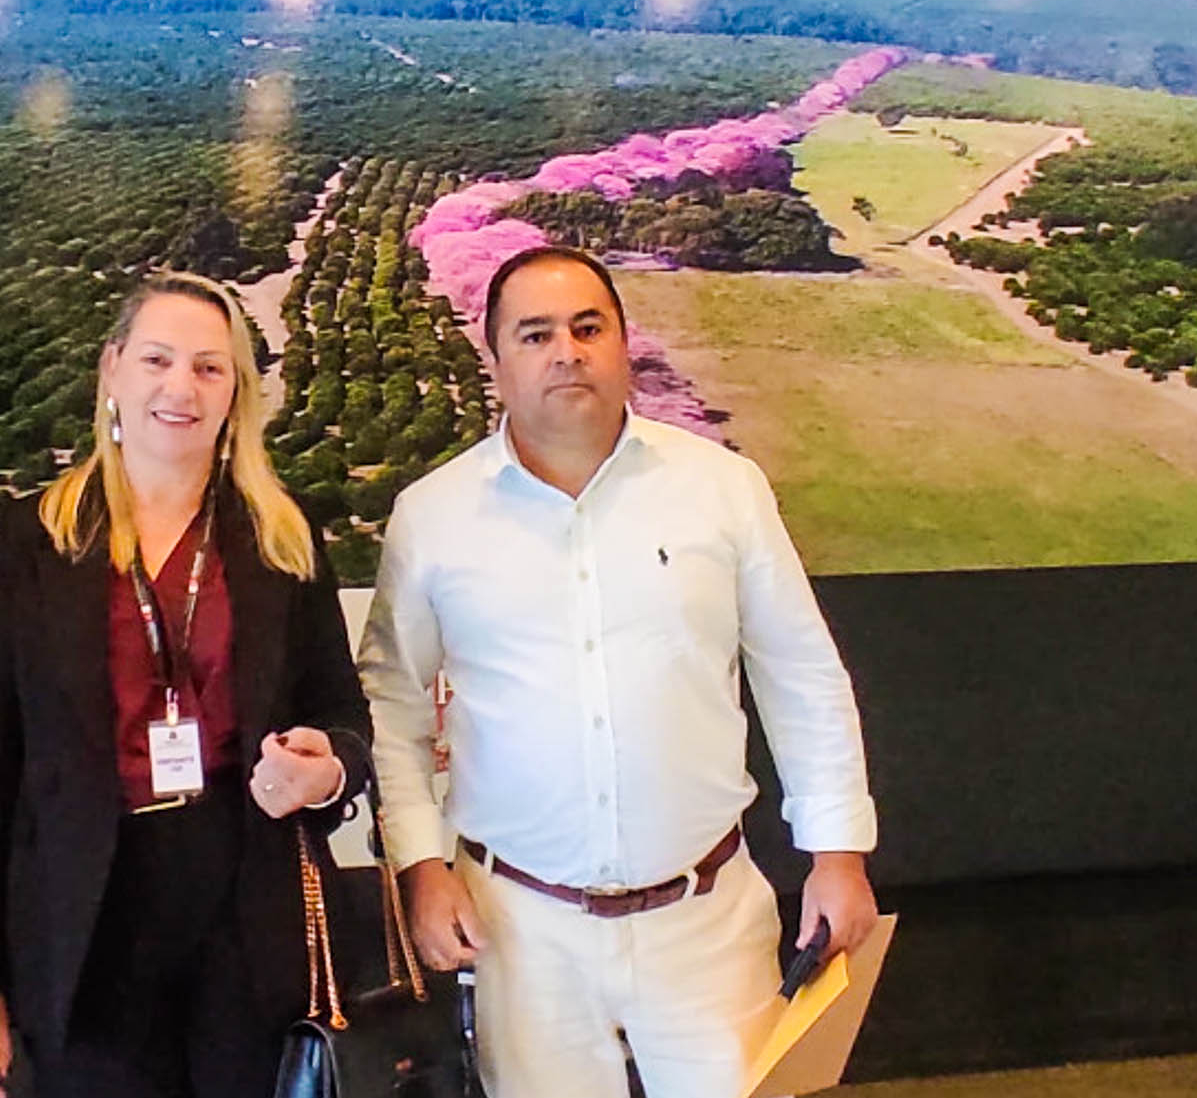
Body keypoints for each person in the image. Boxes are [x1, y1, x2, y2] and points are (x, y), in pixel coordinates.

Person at [358, 244, 879, 1098]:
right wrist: (420, 866)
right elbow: (393, 705)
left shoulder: (723, 487)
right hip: (518, 932)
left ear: (621, 342)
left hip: (705, 917)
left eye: (586, 326)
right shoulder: (433, 517)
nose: (565, 349)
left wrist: (837, 851)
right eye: (534, 333)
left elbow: (800, 672)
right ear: (492, 361)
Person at [0, 272, 371, 1098]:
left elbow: (341, 712)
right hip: (83, 919)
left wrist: (329, 766)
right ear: (112, 370)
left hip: (244, 912)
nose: (180, 387)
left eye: (209, 367)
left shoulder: (282, 532)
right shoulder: (35, 537)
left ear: (235, 390)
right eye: (157, 359)